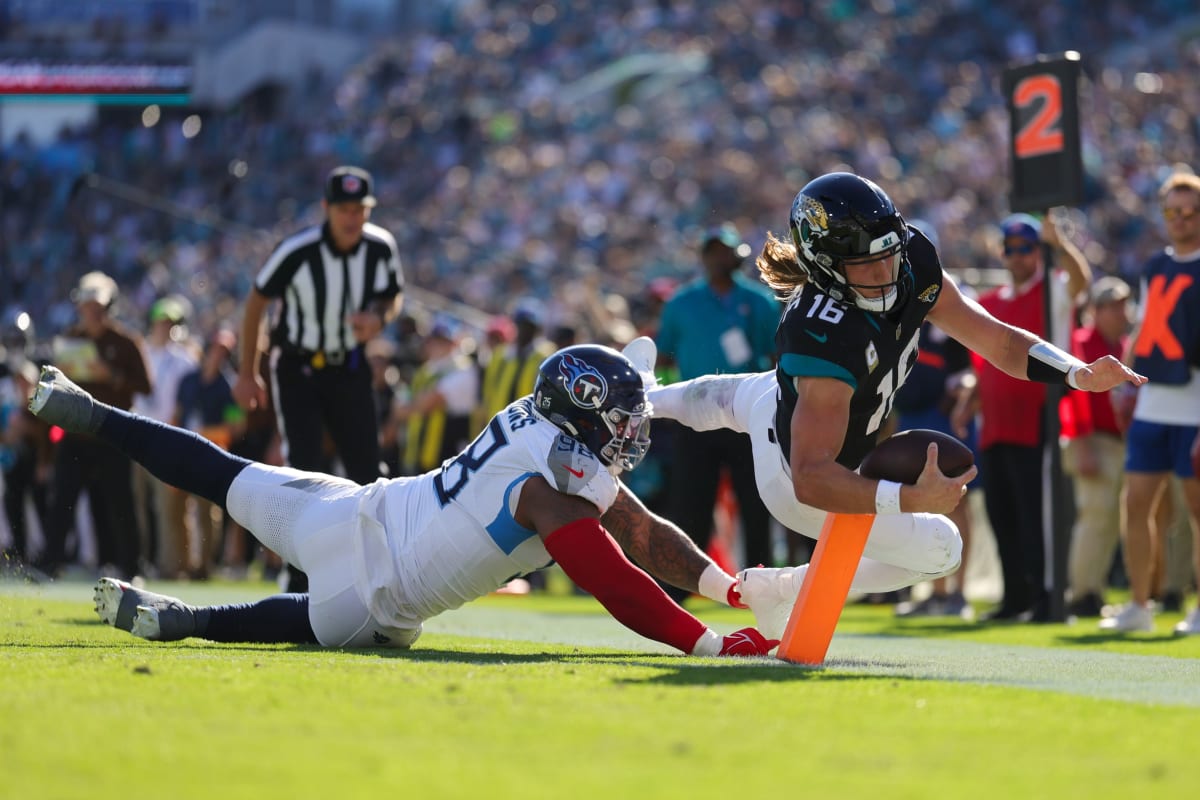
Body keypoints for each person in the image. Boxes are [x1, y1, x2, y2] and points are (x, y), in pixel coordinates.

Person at [642, 172, 1145, 639]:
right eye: (865, 261)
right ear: (825, 266)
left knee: (731, 394)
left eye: (888, 252)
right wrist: (905, 499)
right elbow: (811, 477)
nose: (885, 269)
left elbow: (998, 342)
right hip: (794, 479)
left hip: (786, 404)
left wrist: (1076, 373)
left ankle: (645, 397)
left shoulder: (911, 262)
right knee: (941, 544)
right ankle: (637, 397)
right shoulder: (822, 332)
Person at [30, 346, 776, 658]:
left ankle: (87, 410)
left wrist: (729, 588)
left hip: (344, 508)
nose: (628, 439)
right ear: (580, 421)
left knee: (217, 473)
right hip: (367, 597)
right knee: (330, 623)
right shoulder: (552, 492)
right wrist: (706, 640)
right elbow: (623, 567)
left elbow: (638, 528)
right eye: (618, 425)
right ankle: (188, 620)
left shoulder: (536, 421)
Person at [232, 165, 403, 592]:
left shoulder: (380, 247)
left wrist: (377, 320)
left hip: (349, 366)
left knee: (367, 469)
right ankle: (299, 578)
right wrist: (249, 372)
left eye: (359, 209)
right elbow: (256, 304)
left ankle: (373, 573)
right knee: (305, 472)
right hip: (298, 369)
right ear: (326, 208)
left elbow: (392, 294)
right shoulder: (298, 250)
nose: (352, 218)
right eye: (344, 208)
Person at [963, 211, 1092, 622]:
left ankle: (1044, 596)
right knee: (1002, 514)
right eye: (1011, 248)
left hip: (1037, 420)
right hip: (996, 423)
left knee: (1038, 514)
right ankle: (1014, 596)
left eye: (1027, 248)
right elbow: (982, 366)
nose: (1018, 256)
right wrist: (970, 397)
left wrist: (1061, 245)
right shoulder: (990, 304)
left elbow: (1080, 282)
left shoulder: (1050, 292)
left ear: (1038, 251)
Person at [654, 223, 780, 588]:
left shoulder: (759, 301)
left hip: (746, 413)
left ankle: (761, 582)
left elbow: (775, 358)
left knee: (756, 502)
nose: (718, 258)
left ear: (737, 254)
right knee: (690, 502)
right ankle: (683, 583)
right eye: (712, 251)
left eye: (724, 251)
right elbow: (664, 356)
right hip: (694, 416)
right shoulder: (681, 302)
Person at [1102, 171, 1200, 635]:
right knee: (1135, 503)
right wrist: (1126, 375)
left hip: (1195, 404)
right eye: (1172, 212)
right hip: (1153, 402)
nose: (1179, 220)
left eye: (1189, 211)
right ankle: (1140, 604)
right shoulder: (1154, 267)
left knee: (1198, 512)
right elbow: (1144, 329)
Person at [37, 271, 152, 581]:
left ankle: (131, 566)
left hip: (113, 433)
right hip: (76, 433)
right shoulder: (71, 340)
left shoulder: (126, 342)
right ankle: (50, 563)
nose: (91, 313)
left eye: (97, 307)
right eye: (86, 307)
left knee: (120, 502)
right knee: (62, 499)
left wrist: (110, 376)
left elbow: (145, 386)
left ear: (108, 308)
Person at [1059, 277, 1132, 618]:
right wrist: (1084, 443)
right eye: (1113, 305)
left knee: (1109, 519)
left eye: (1122, 305)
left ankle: (1094, 591)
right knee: (1095, 515)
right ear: (1096, 310)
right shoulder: (1083, 341)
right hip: (1090, 439)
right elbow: (1075, 397)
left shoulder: (1124, 344)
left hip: (1117, 443)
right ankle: (1082, 593)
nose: (1121, 312)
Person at [131, 296, 198, 578]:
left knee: (168, 507)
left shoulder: (185, 360)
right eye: (162, 322)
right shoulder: (140, 351)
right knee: (138, 504)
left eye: (171, 323)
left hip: (169, 437)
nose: (166, 328)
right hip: (138, 435)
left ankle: (170, 566)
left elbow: (190, 401)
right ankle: (140, 562)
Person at [175, 329, 243, 580]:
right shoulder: (189, 380)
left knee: (206, 511)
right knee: (175, 509)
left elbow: (236, 427)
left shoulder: (230, 385)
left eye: (223, 352)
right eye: (216, 349)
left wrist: (206, 432)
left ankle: (203, 566)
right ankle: (177, 565)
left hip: (211, 452)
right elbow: (178, 411)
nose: (218, 356)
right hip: (182, 448)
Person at [391, 322, 479, 477]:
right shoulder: (427, 370)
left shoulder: (463, 369)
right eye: (433, 341)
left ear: (453, 343)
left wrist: (408, 406)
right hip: (419, 455)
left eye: (442, 341)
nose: (436, 346)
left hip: (446, 459)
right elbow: (400, 408)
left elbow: (427, 404)